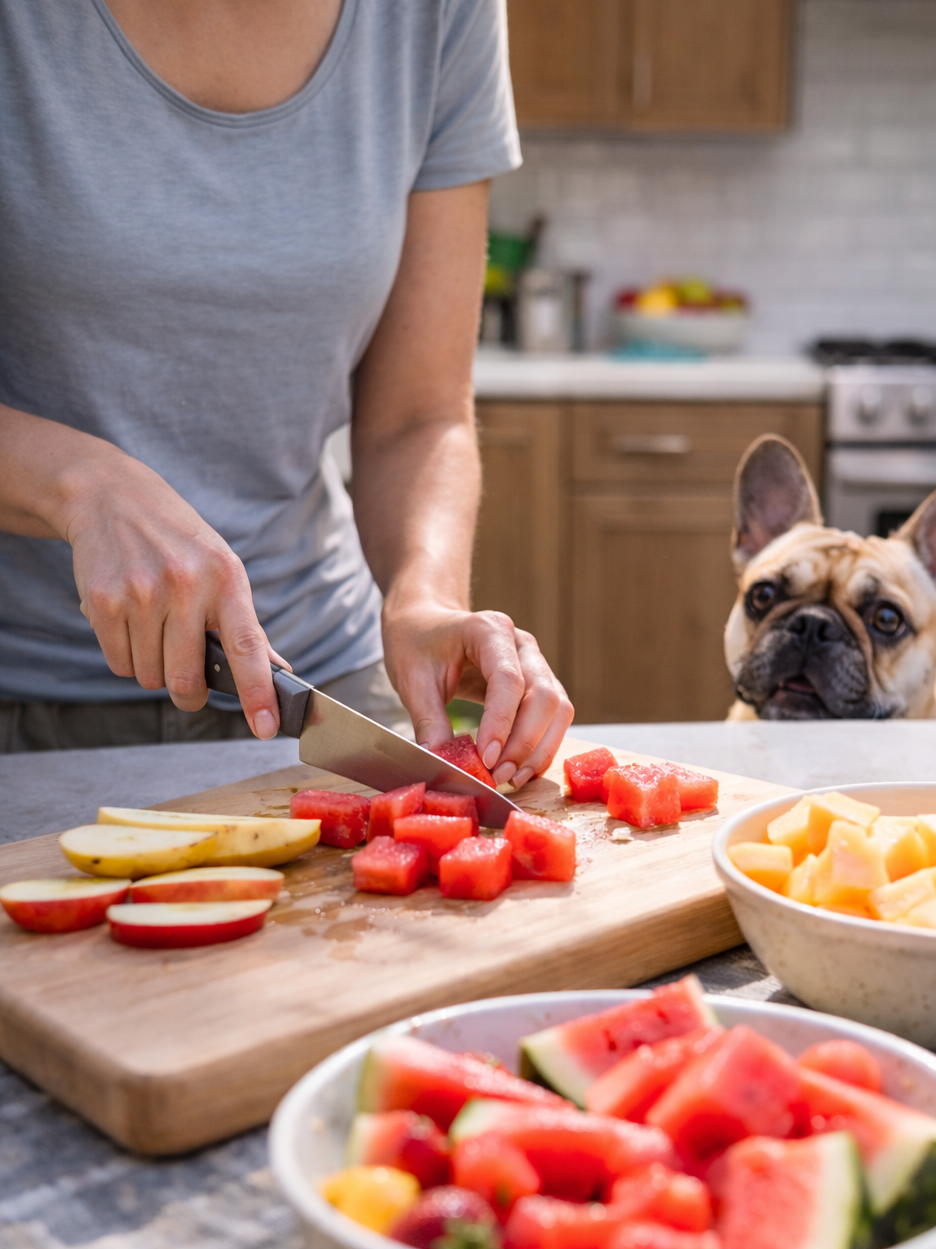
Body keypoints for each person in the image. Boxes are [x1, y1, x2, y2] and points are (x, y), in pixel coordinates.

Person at [0, 0, 573, 786]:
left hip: (313, 682)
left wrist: (425, 598)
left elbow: (418, 415)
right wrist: (78, 484)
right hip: (22, 703)